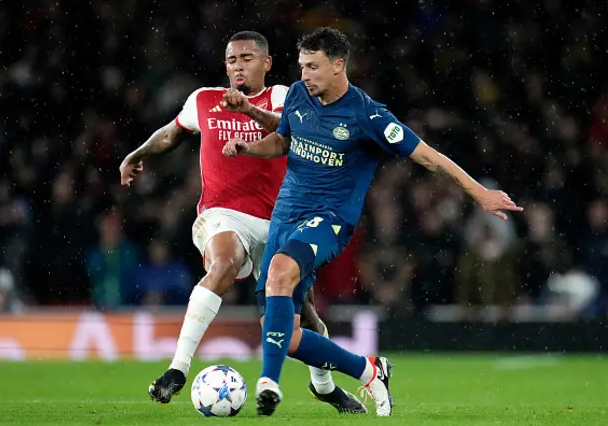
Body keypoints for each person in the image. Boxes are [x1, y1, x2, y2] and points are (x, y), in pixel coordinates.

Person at [223, 27, 523, 416]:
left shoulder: (367, 115)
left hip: (328, 220)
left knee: (280, 271)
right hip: (285, 216)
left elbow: (428, 156)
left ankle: (269, 384)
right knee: (285, 335)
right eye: (301, 66)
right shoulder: (298, 95)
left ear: (338, 65)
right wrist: (247, 148)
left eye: (313, 67)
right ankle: (369, 370)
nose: (304, 75)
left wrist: (478, 192)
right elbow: (283, 140)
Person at [119, 30, 365, 413]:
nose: (238, 65)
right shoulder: (204, 100)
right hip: (221, 213)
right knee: (224, 259)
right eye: (232, 60)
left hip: (281, 221)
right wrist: (137, 153)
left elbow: (289, 134)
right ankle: (177, 369)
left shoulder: (284, 96)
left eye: (247, 58)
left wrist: (247, 110)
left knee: (305, 321)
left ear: (266, 63)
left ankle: (325, 386)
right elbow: (172, 133)